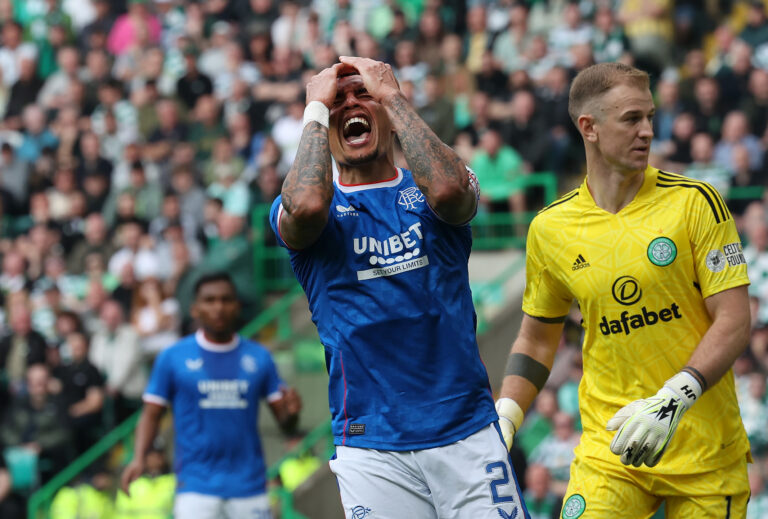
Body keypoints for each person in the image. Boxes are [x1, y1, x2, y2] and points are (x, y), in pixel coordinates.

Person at [269, 57, 527, 518]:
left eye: (362, 93)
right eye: (337, 101)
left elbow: (452, 192)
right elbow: (306, 204)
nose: (349, 102)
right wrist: (313, 108)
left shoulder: (431, 191)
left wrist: (390, 94)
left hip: (466, 431)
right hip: (371, 446)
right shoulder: (308, 208)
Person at [496, 62, 751, 518]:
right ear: (588, 127)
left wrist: (675, 398)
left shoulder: (696, 203)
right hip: (609, 448)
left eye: (651, 117)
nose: (648, 131)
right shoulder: (550, 229)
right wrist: (506, 417)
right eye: (632, 118)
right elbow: (536, 338)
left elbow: (734, 318)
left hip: (703, 448)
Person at [120, 272, 301, 519]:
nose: (219, 307)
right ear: (195, 309)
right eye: (210, 300)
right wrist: (138, 458)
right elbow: (151, 414)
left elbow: (286, 424)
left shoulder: (260, 357)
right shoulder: (172, 358)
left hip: (249, 486)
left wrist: (292, 413)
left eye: (226, 300)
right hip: (196, 488)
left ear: (237, 306)